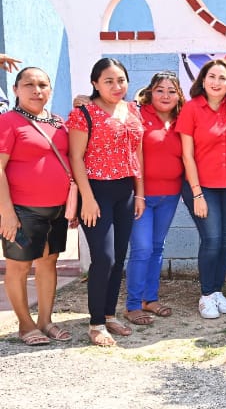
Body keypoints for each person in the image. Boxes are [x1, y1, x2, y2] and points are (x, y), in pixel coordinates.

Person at [67, 58, 145, 346]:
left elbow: (137, 154)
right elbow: (76, 157)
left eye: (121, 80)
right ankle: (96, 323)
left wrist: (140, 193)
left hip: (125, 190)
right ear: (95, 84)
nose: (116, 86)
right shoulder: (84, 112)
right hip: (97, 190)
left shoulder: (132, 109)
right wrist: (87, 199)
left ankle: (110, 315)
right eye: (108, 81)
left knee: (119, 258)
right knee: (104, 258)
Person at [0, 67, 72, 345]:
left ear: (50, 90)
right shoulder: (8, 121)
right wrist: (6, 212)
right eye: (28, 84)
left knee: (48, 263)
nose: (36, 90)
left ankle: (45, 321)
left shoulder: (57, 122)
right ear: (16, 89)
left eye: (42, 84)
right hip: (21, 209)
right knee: (19, 266)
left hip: (56, 209)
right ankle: (25, 325)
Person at [176, 59, 226, 320]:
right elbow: (187, 156)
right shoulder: (191, 109)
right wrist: (197, 193)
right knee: (212, 239)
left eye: (222, 78)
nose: (216, 82)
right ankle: (206, 295)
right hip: (202, 186)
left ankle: (217, 291)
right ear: (202, 80)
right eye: (212, 76)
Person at [122, 72, 186, 325]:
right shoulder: (135, 113)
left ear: (179, 95)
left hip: (170, 195)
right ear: (150, 92)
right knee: (142, 248)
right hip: (141, 195)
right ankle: (133, 305)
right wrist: (83, 99)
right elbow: (101, 105)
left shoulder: (183, 118)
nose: (166, 95)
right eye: (160, 90)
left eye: (172, 90)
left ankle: (151, 298)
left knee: (157, 247)